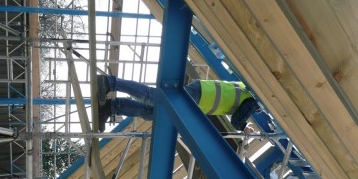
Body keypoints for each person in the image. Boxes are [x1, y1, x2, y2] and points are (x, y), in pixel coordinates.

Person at [94, 75, 261, 133]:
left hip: (199, 98)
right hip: (201, 94)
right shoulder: (257, 99)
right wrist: (245, 127)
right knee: (153, 97)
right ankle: (110, 83)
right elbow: (237, 120)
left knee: (153, 113)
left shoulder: (251, 93)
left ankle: (111, 107)